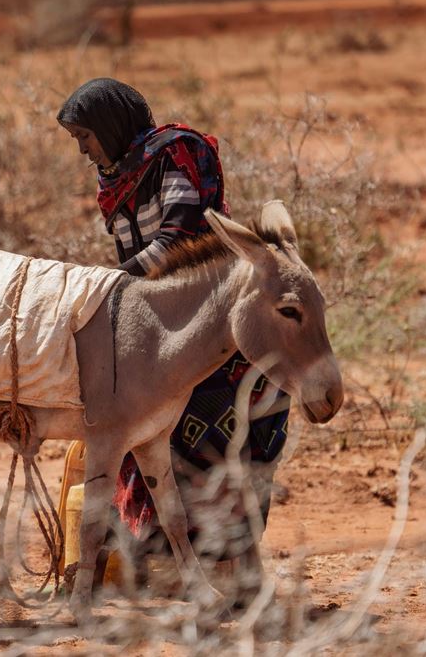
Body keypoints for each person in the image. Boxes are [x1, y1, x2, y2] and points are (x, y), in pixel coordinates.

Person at [56, 77, 289, 594]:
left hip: (210, 322)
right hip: (155, 325)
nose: (83, 150)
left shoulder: (177, 153)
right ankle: (171, 576)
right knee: (130, 437)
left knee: (216, 447)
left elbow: (181, 236)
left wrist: (113, 288)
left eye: (86, 137)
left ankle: (230, 578)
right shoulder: (115, 178)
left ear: (113, 127)